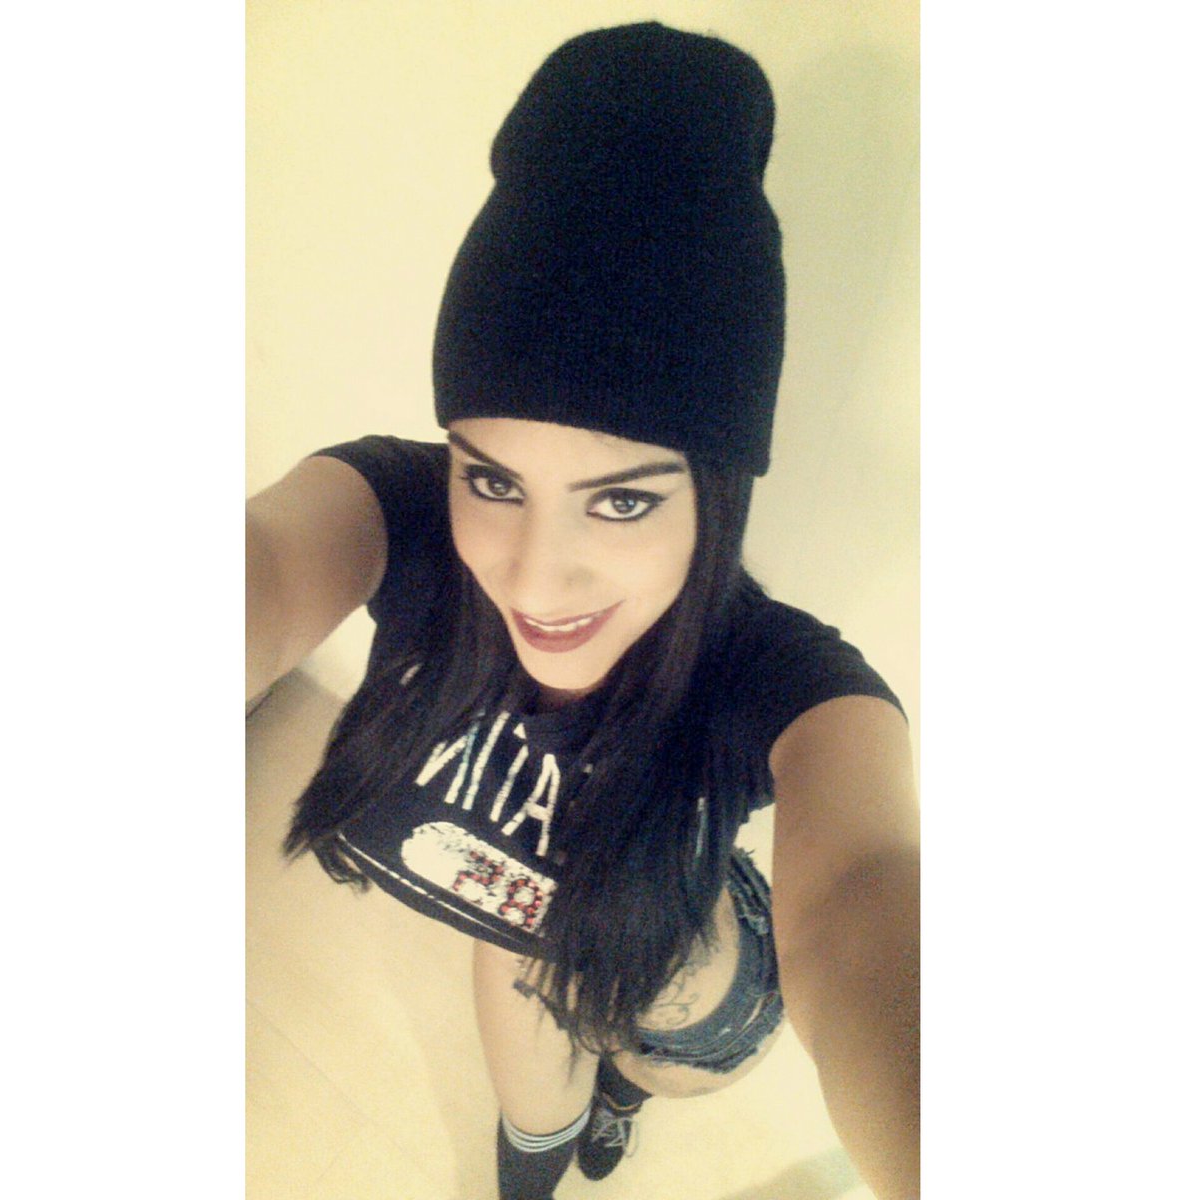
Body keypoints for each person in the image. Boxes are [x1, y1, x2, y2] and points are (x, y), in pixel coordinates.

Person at [246, 22, 918, 1200]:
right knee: (525, 985)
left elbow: (862, 893)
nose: (532, 581)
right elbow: (259, 568)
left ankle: (620, 1094)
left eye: (621, 500)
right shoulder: (397, 512)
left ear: (713, 492)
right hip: (522, 929)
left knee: (612, 1019)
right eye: (494, 481)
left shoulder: (783, 678)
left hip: (688, 994)